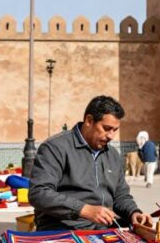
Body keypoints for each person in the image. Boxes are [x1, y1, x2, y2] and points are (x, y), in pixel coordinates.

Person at [29, 95, 149, 231]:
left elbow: (121, 195)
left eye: (115, 130)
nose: (111, 136)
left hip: (104, 229)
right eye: (106, 128)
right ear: (89, 120)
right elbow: (39, 193)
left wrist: (133, 212)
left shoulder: (113, 155)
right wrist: (84, 210)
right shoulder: (55, 148)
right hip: (63, 229)